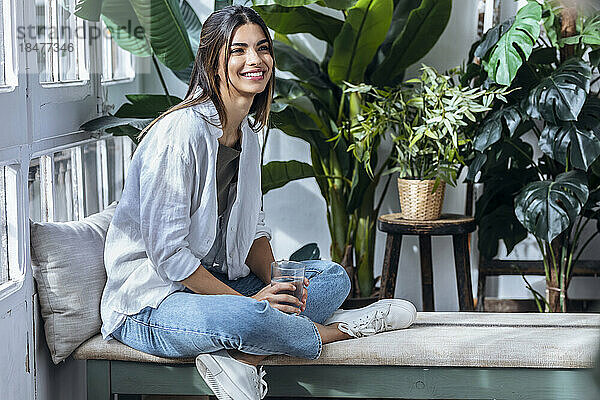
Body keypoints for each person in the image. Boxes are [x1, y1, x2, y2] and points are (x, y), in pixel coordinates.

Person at [99, 5, 417, 400]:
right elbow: (168, 257)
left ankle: (244, 359)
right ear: (213, 61)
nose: (255, 60)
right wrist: (251, 304)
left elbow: (253, 228)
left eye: (263, 48)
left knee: (332, 279)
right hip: (150, 306)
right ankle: (340, 330)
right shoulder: (178, 134)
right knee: (252, 315)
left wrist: (277, 284)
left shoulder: (247, 134)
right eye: (238, 50)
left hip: (215, 284)